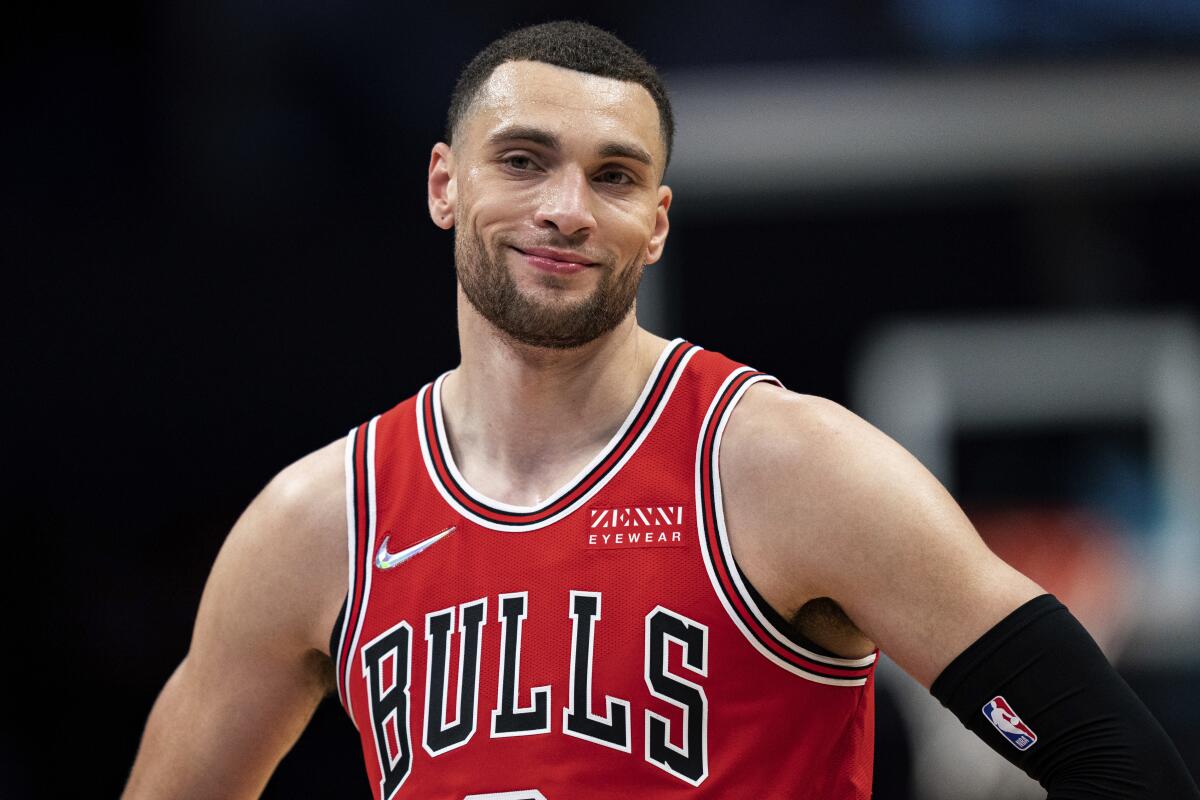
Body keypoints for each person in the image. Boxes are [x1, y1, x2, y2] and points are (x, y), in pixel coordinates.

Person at [122, 21, 1198, 800]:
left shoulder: (786, 466)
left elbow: (1118, 761)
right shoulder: (319, 522)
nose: (565, 208)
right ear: (445, 183)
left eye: (615, 175)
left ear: (659, 222)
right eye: (525, 160)